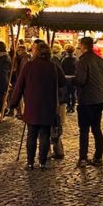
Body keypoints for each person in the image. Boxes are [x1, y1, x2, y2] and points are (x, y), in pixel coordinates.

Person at [8, 40, 65, 170]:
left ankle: (30, 162)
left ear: (37, 52)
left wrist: (13, 103)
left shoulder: (29, 66)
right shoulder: (52, 66)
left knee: (31, 134)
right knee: (44, 134)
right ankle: (42, 162)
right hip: (48, 105)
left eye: (33, 49)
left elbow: (19, 85)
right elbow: (62, 82)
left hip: (32, 105)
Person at [73, 36, 103, 167]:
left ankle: (83, 158)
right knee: (96, 128)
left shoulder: (83, 61)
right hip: (100, 98)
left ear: (83, 46)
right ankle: (98, 157)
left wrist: (72, 80)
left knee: (84, 129)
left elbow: (81, 80)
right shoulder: (101, 60)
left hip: (87, 99)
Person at [60, 45, 77, 113]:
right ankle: (72, 106)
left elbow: (61, 69)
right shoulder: (76, 59)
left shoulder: (63, 59)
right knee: (73, 93)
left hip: (66, 78)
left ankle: (68, 106)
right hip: (73, 78)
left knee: (66, 93)